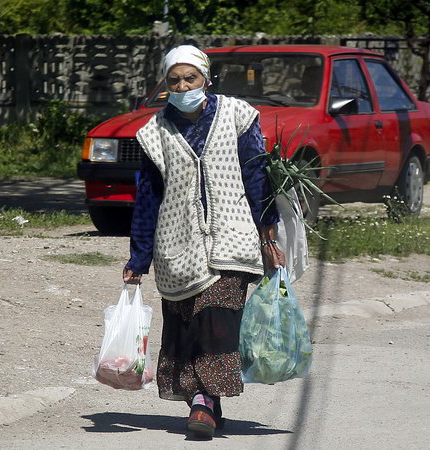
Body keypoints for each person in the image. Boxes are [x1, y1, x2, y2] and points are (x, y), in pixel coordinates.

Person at [122, 44, 285, 439]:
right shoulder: (154, 133)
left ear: (205, 79)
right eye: (174, 79)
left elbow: (256, 175)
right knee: (186, 326)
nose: (182, 85)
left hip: (232, 238)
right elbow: (148, 199)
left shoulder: (237, 116)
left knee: (217, 319)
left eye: (189, 78)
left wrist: (267, 229)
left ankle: (205, 404)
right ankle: (204, 398)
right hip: (176, 246)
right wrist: (139, 257)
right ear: (165, 84)